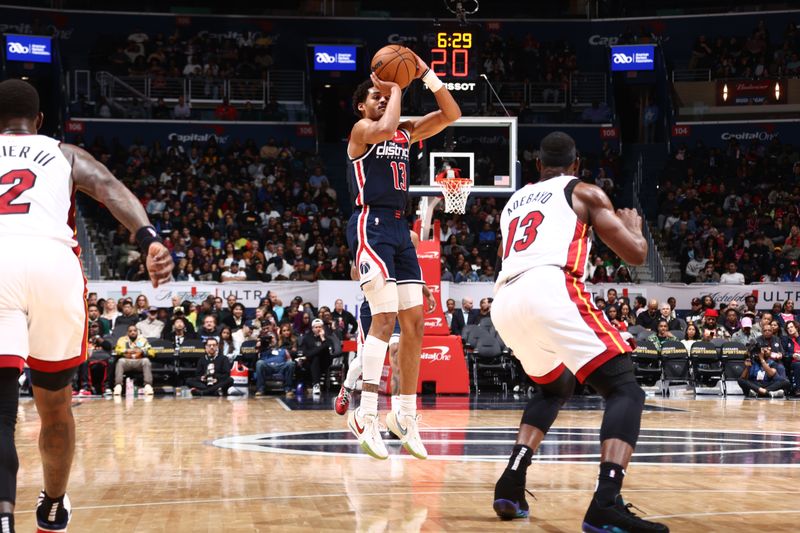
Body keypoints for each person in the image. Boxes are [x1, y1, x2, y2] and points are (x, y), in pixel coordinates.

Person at [0, 79, 173, 532]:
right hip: (53, 266)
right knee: (54, 406)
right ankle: (53, 507)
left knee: (0, 412)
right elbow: (109, 187)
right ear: (38, 122)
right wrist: (148, 239)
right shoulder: (63, 152)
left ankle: (2, 516)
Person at [490, 132, 667, 531]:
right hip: (549, 288)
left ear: (538, 166)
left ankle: (510, 483)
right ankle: (606, 502)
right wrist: (632, 226)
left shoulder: (513, 203)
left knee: (554, 388)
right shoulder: (584, 191)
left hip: (504, 301)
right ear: (576, 164)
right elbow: (636, 254)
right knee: (625, 388)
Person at [344, 52, 460, 460]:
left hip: (400, 228)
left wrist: (425, 73)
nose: (381, 99)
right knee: (384, 317)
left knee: (415, 325)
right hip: (370, 224)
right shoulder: (362, 130)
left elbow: (452, 112)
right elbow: (387, 124)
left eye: (384, 94)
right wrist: (395, 87)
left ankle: (404, 415)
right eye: (374, 96)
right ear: (362, 106)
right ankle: (366, 413)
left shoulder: (405, 132)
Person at [113, 325, 154, 396]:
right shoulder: (122, 340)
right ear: (127, 333)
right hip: (127, 361)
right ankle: (118, 386)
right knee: (120, 361)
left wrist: (142, 351)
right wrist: (126, 350)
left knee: (146, 361)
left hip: (139, 361)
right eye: (130, 331)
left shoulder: (142, 340)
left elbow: (152, 352)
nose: (133, 332)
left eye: (134, 331)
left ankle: (148, 385)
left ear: (137, 332)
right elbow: (117, 350)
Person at [254, 330, 295, 398]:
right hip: (268, 367)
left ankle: (288, 389)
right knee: (259, 363)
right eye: (269, 338)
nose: (271, 340)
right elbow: (255, 361)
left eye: (272, 338)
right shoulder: (262, 350)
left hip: (281, 366)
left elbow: (289, 360)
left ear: (276, 339)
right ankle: (260, 389)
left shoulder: (283, 349)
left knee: (291, 363)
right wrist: (257, 348)